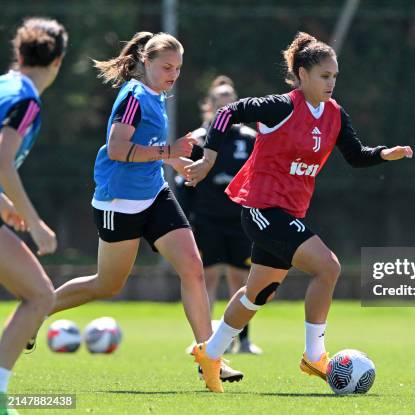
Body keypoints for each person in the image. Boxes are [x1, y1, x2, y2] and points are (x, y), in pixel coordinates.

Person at [184, 31, 413, 389]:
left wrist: (384, 154)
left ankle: (209, 354)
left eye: (335, 76)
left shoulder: (334, 114)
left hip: (290, 213)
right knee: (329, 267)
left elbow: (355, 155)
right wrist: (210, 156)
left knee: (257, 293)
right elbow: (228, 111)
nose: (331, 83)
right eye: (325, 76)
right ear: (302, 74)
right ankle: (314, 355)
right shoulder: (281, 107)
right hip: (262, 210)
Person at [38, 32, 241, 393]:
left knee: (193, 268)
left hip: (154, 193)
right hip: (119, 202)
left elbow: (149, 148)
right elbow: (117, 149)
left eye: (178, 68)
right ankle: (38, 309)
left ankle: (210, 356)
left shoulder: (158, 94)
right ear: (145, 62)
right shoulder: (133, 97)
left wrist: (177, 163)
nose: (173, 74)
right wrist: (169, 151)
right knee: (107, 284)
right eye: (166, 67)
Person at [0, 18, 67, 413]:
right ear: (57, 61)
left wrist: (5, 205)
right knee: (40, 295)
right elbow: (3, 162)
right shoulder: (25, 98)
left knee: (37, 295)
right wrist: (37, 224)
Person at [178, 75, 261, 355]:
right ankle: (206, 340)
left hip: (240, 222)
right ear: (210, 107)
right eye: (220, 103)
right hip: (207, 220)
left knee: (242, 281)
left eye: (231, 103)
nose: (226, 109)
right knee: (207, 278)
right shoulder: (200, 139)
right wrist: (185, 221)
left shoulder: (250, 139)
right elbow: (186, 182)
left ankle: (244, 340)